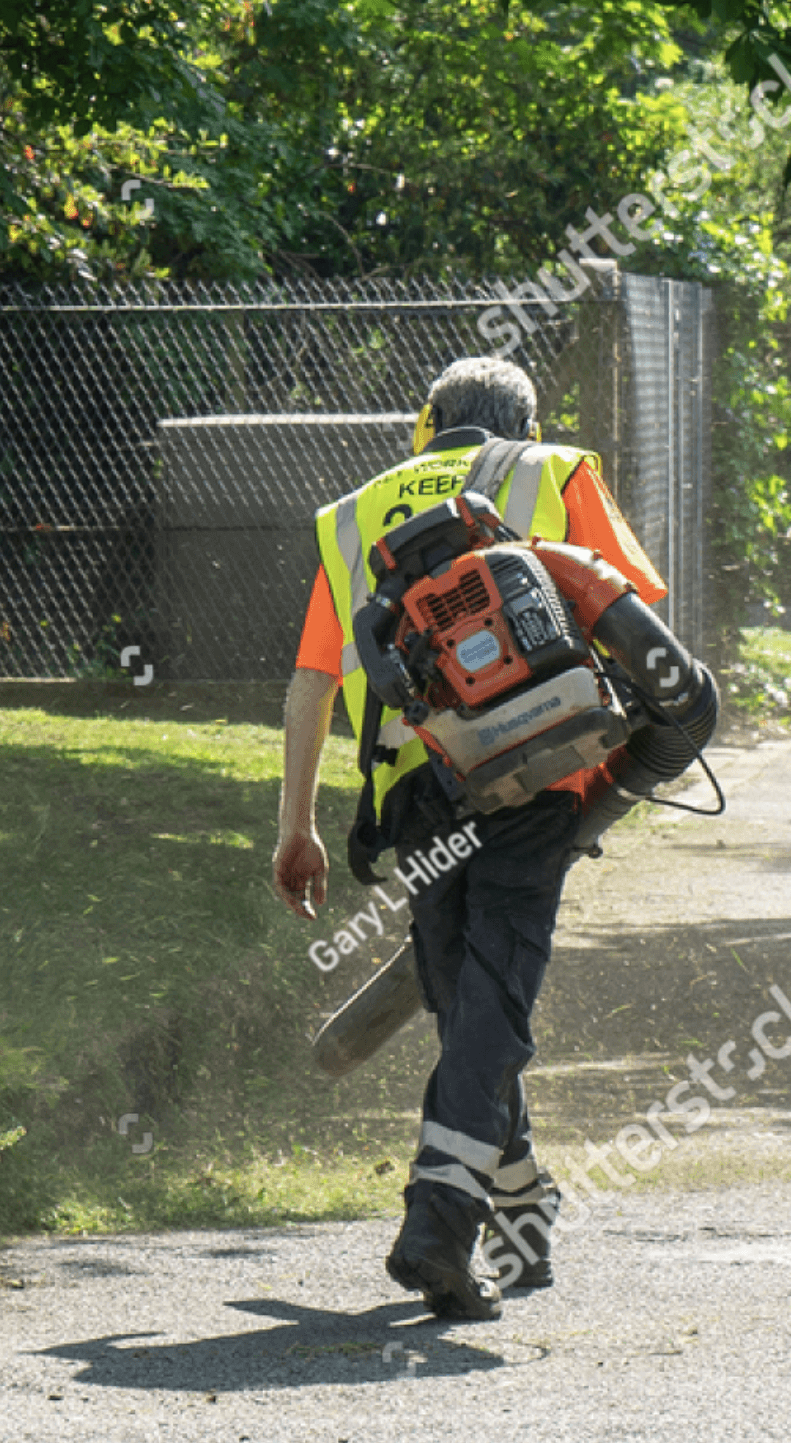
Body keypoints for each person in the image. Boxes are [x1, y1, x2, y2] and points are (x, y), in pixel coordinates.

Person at [270, 355, 679, 1320]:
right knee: (489, 998)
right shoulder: (555, 472)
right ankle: (440, 1225)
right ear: (522, 423)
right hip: (533, 773)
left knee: (465, 994)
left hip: (416, 788)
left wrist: (296, 828)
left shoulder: (352, 513)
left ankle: (522, 1208)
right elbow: (639, 621)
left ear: (430, 421)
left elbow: (314, 683)